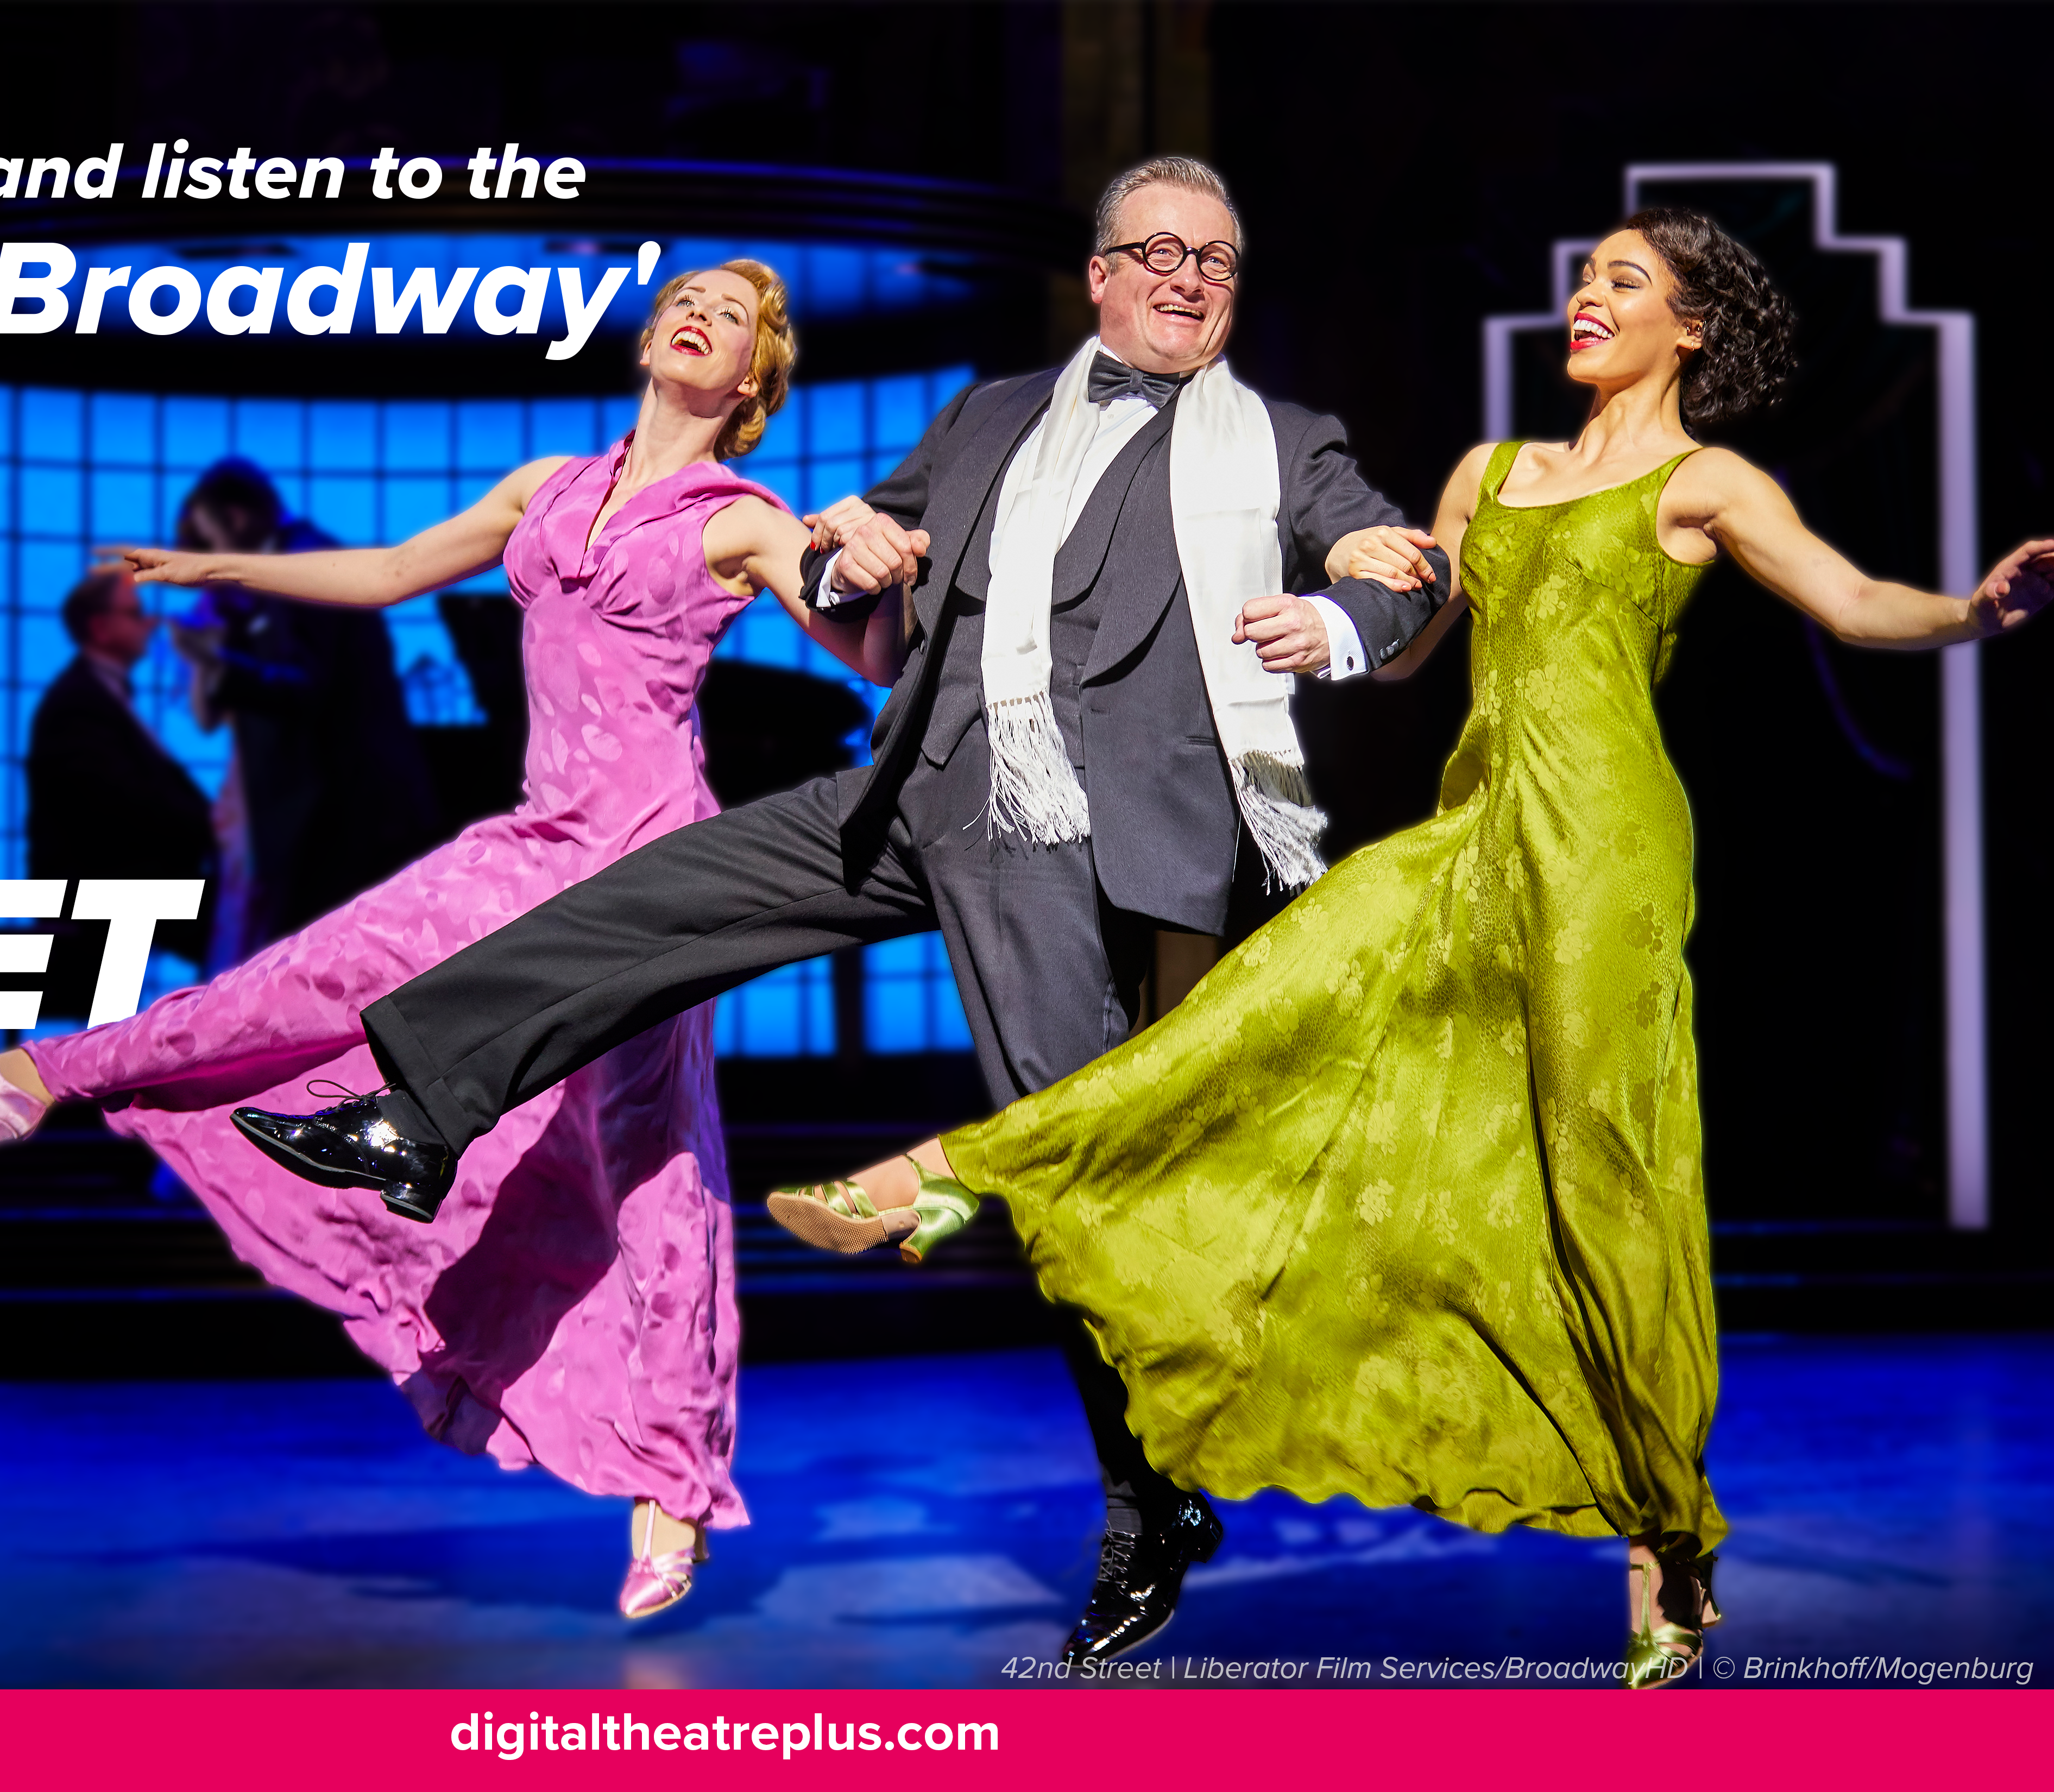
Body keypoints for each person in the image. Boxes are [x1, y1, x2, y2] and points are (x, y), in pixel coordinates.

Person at [774, 206, 2052, 1687]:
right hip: (1474, 825)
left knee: (1604, 1186)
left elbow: (1849, 599)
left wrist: (1969, 610)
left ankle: (1664, 1541)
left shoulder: (1707, 481)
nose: (1585, 299)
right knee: (1259, 1011)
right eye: (1580, 277)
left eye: (1621, 285)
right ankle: (946, 1177)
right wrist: (1333, 609)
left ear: (1687, 327)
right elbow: (1406, 633)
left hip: (1608, 857)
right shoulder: (1488, 474)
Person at [231, 155, 1454, 1664]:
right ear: (1099, 273)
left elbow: (1385, 559)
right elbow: (852, 557)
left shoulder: (1279, 440)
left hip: (1063, 841)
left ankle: (1152, 1493)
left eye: (1217, 259)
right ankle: (414, 1112)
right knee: (645, 896)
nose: (1190, 279)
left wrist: (1343, 601)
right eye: (1158, 252)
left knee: (1074, 1182)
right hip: (915, 787)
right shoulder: (987, 412)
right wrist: (848, 546)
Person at [0, 262, 905, 1617]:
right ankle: (37, 1075)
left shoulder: (747, 518)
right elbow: (394, 571)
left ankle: (674, 1487)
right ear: (654, 338)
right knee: (303, 977)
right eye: (683, 297)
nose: (695, 311)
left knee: (649, 1163)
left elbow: (869, 658)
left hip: (652, 879)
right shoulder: (547, 485)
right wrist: (221, 565)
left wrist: (873, 576)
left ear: (752, 380)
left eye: (732, 313)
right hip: (531, 844)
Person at [168, 458, 443, 961]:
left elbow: (307, 684)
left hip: (343, 810)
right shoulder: (294, 562)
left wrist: (216, 662)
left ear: (235, 516)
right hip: (332, 808)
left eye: (211, 537)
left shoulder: (299, 564)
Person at [23, 571, 215, 1016]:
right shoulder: (79, 703)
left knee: (237, 912)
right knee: (240, 923)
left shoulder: (99, 697)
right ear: (100, 627)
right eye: (136, 614)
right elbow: (119, 804)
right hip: (98, 885)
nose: (150, 624)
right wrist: (212, 830)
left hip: (123, 873)